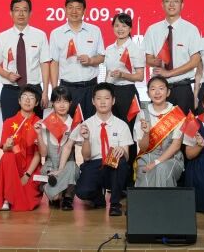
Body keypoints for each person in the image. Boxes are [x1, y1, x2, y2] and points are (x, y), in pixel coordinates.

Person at [74, 83, 132, 216]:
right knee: (82, 191)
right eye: (99, 98)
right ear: (93, 101)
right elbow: (86, 157)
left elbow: (127, 156)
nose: (103, 102)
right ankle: (98, 198)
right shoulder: (86, 124)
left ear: (113, 101)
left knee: (121, 162)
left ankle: (115, 204)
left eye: (106, 98)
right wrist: (86, 139)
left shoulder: (121, 125)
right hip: (94, 163)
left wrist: (122, 151)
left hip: (113, 164)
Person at [143, 0, 202, 114]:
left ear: (182, 5)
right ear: (162, 4)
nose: (171, 4)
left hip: (182, 89)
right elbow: (148, 59)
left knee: (185, 126)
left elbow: (195, 61)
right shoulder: (152, 30)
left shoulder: (191, 29)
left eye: (176, 1)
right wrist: (156, 61)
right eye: (167, 1)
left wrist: (169, 73)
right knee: (159, 125)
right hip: (160, 91)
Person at [0, 0, 51, 119]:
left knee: (35, 128)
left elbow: (45, 64)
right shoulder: (2, 37)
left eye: (25, 10)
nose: (21, 14)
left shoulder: (40, 35)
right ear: (11, 13)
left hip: (34, 90)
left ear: (30, 13)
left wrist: (45, 92)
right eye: (17, 10)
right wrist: (7, 74)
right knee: (10, 128)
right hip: (10, 91)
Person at [49, 0, 105, 121]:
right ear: (65, 9)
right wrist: (55, 89)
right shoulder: (56, 33)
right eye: (70, 7)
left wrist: (90, 60)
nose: (74, 11)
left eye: (78, 8)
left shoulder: (94, 30)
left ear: (84, 11)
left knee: (91, 125)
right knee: (68, 126)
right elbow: (54, 62)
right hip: (67, 89)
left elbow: (102, 57)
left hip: (90, 88)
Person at [0, 85, 44, 212]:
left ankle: (12, 195)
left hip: (31, 166)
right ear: (19, 101)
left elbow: (39, 154)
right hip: (14, 163)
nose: (27, 100)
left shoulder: (40, 123)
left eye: (31, 97)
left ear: (36, 103)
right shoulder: (9, 122)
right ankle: (6, 198)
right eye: (24, 97)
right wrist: (7, 145)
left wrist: (27, 175)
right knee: (7, 156)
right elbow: (5, 149)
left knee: (27, 199)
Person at [132, 76, 186, 187]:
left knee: (161, 168)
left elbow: (176, 146)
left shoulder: (177, 114)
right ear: (148, 93)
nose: (157, 92)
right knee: (145, 172)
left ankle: (163, 200)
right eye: (153, 89)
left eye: (161, 88)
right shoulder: (142, 114)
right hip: (148, 157)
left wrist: (156, 162)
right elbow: (143, 148)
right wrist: (146, 133)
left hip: (172, 158)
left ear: (168, 92)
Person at [38, 86, 82, 211]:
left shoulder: (74, 124)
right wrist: (38, 134)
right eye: (58, 101)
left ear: (70, 103)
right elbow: (43, 153)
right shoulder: (45, 124)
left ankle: (68, 197)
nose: (62, 105)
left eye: (65, 101)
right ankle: (54, 193)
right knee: (56, 197)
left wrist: (86, 135)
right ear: (52, 103)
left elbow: (73, 147)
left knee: (73, 167)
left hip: (67, 166)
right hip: (50, 165)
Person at [103, 13, 145, 122]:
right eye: (117, 25)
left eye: (124, 26)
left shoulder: (136, 49)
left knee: (128, 125)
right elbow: (107, 73)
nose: (120, 29)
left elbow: (140, 77)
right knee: (110, 125)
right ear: (113, 27)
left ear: (130, 28)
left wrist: (123, 75)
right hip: (110, 91)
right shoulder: (109, 49)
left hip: (127, 92)